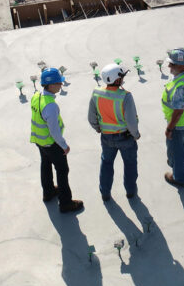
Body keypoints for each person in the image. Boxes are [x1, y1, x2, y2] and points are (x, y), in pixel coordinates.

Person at [31, 67, 84, 213]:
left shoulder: (37, 96)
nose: (61, 85)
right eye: (59, 83)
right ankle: (66, 203)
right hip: (51, 143)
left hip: (39, 140)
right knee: (62, 170)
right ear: (51, 85)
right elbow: (54, 130)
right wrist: (64, 145)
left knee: (46, 165)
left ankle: (48, 192)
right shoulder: (51, 106)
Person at [88, 63, 141, 201]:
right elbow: (131, 121)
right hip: (126, 138)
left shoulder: (96, 93)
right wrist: (136, 134)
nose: (123, 79)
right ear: (116, 80)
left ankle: (105, 193)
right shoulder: (125, 96)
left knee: (106, 164)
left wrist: (98, 128)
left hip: (106, 137)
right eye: (122, 77)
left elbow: (91, 117)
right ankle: (130, 191)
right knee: (130, 164)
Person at [162, 48, 184, 187]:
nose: (169, 67)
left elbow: (178, 111)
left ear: (182, 66)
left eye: (173, 64)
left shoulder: (180, 87)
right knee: (183, 143)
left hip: (180, 123)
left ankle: (179, 177)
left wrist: (169, 128)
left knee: (176, 149)